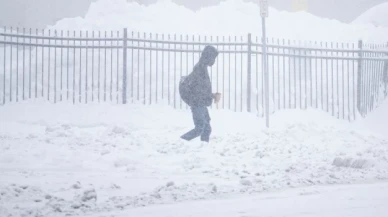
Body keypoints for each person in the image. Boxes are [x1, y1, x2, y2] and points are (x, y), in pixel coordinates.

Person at [179, 45, 221, 144]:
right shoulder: (200, 69)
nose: (214, 61)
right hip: (197, 103)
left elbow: (202, 89)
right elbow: (199, 91)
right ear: (208, 56)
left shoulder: (202, 67)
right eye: (213, 58)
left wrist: (212, 95)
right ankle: (180, 142)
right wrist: (212, 96)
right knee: (200, 128)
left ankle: (203, 149)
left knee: (206, 129)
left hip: (200, 103)